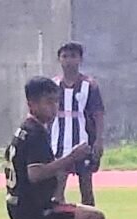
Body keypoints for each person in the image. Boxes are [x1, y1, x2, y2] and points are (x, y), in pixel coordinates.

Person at [4, 77, 137, 219]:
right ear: (32, 104)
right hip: (34, 209)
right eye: (48, 102)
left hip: (21, 207)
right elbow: (35, 174)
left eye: (56, 102)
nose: (54, 108)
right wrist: (71, 158)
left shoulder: (26, 130)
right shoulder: (35, 133)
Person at [50, 42, 106, 206]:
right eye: (65, 56)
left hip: (82, 142)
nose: (68, 61)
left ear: (80, 59)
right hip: (58, 143)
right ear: (59, 60)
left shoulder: (89, 85)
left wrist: (98, 140)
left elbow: (98, 113)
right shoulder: (52, 86)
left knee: (86, 188)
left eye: (73, 56)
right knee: (57, 187)